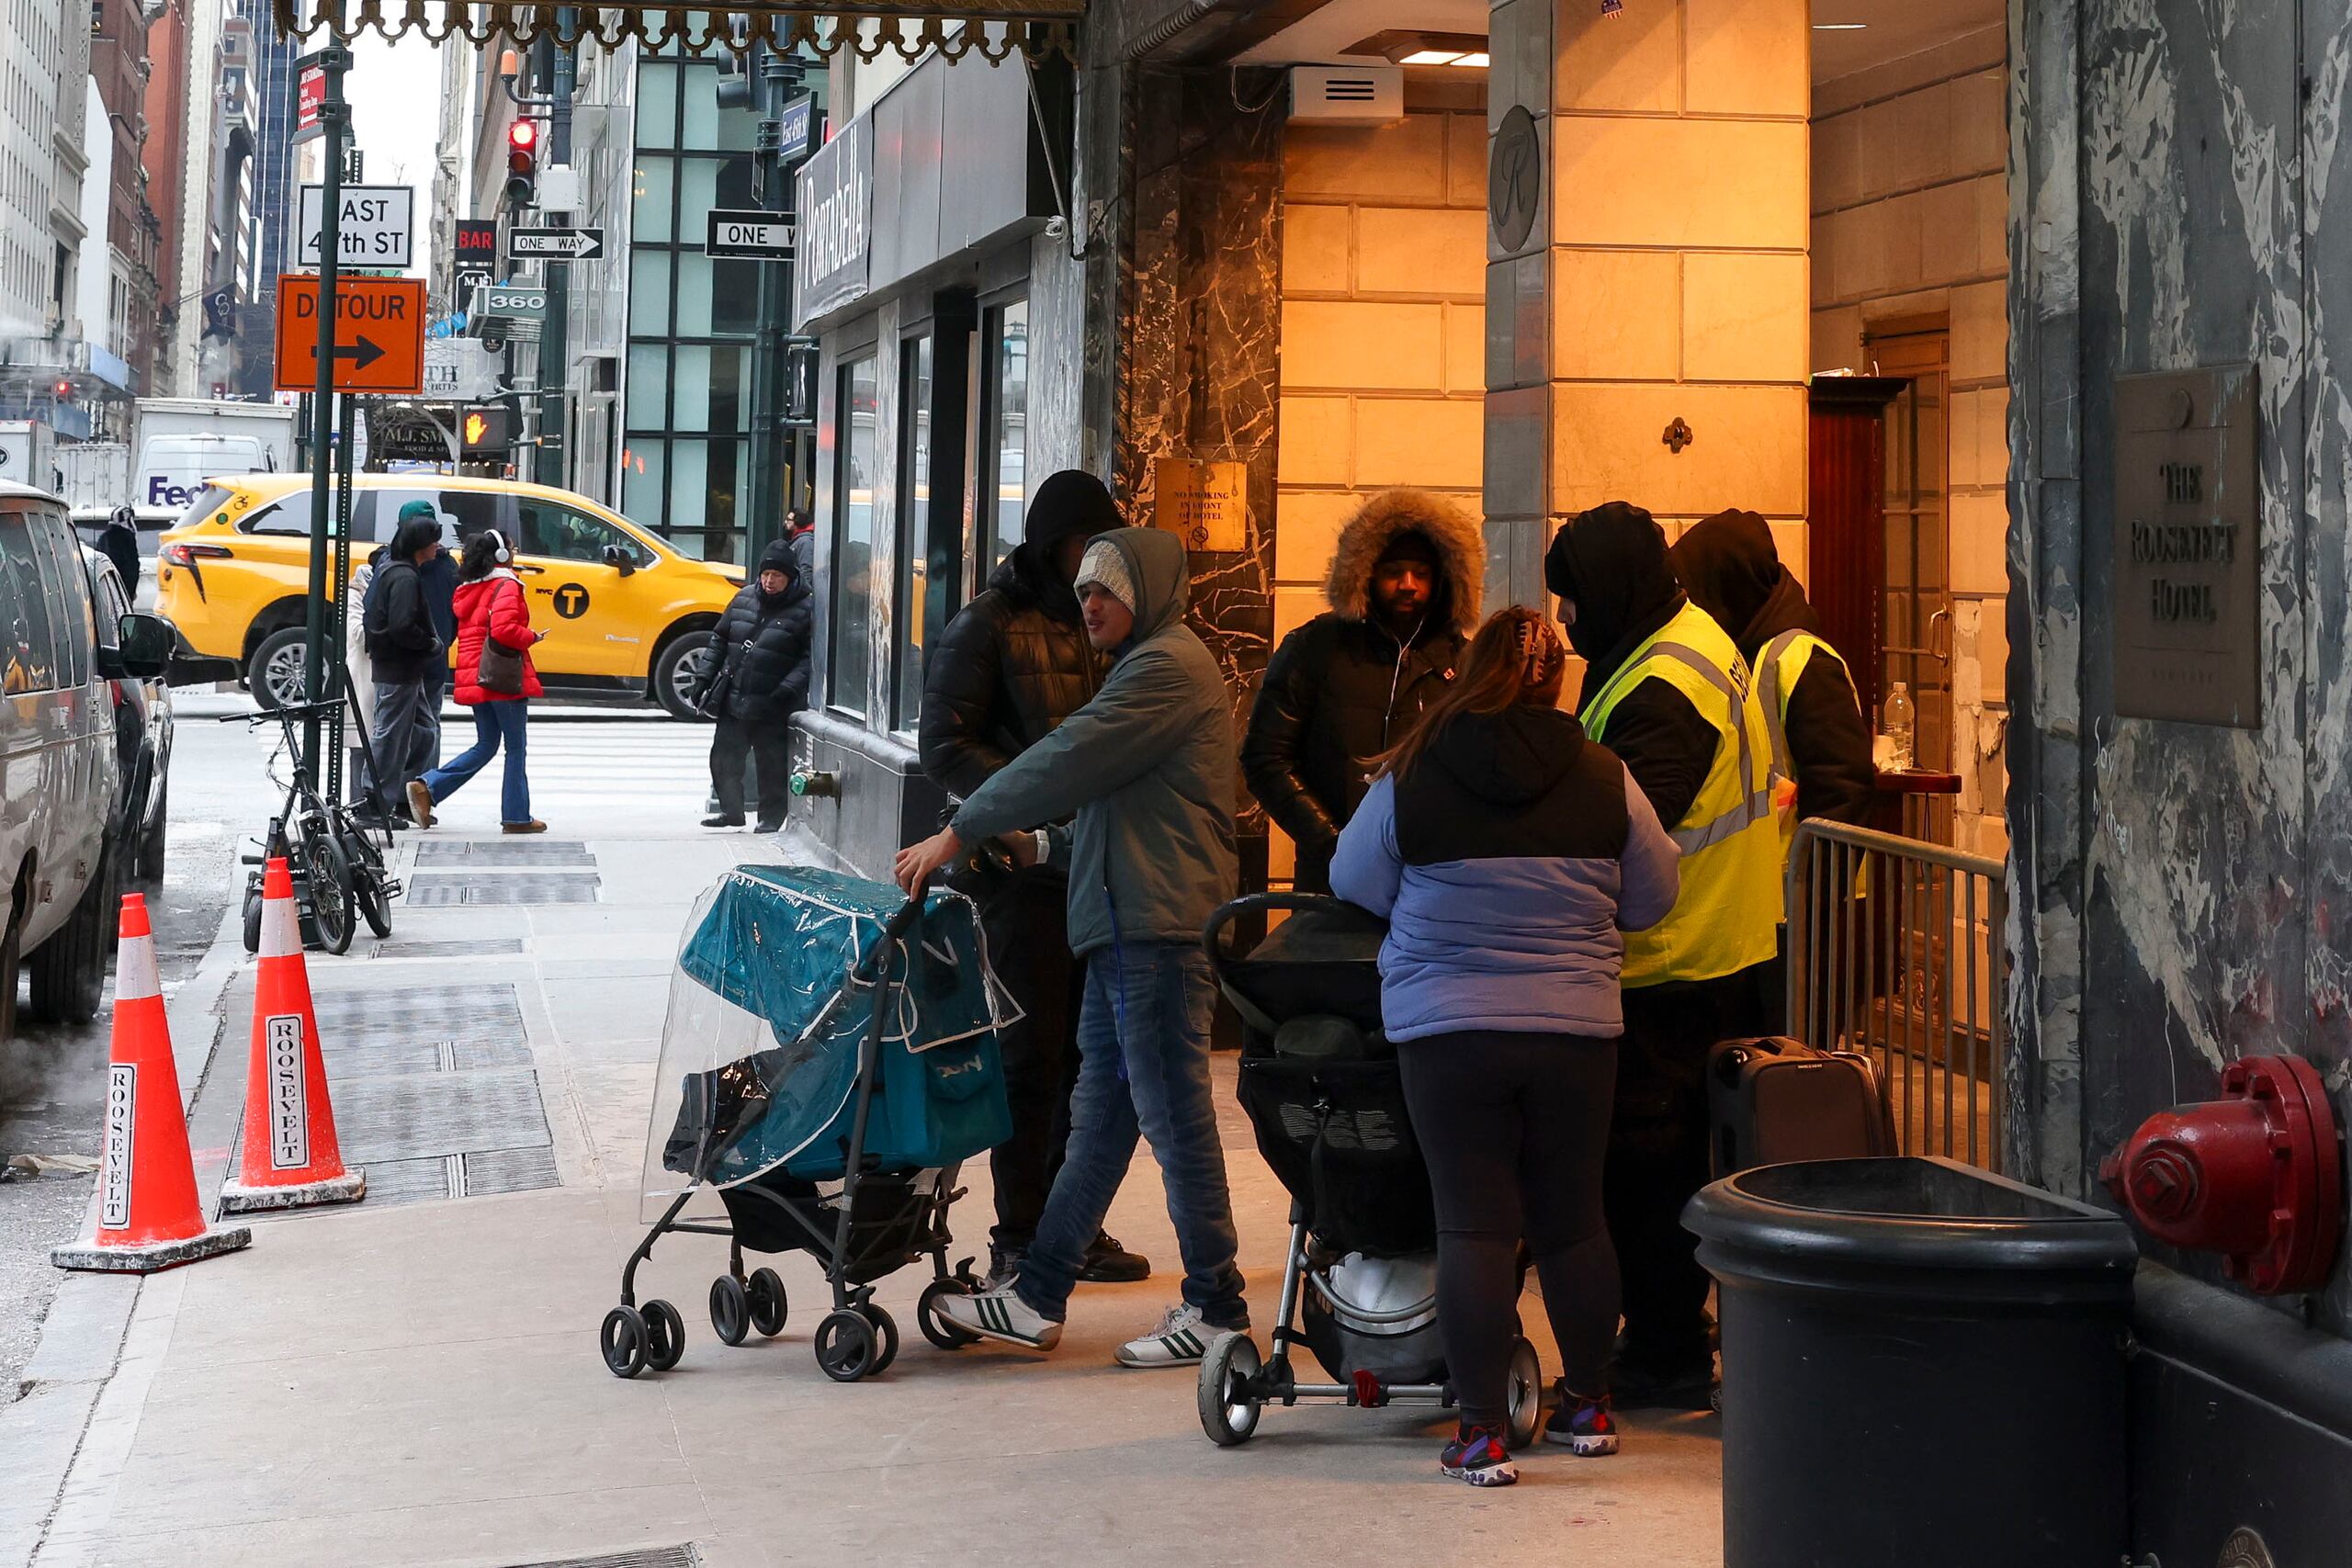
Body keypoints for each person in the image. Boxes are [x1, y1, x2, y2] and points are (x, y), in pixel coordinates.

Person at [1330, 607, 1679, 1487]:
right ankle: (1590, 1405)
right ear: (1557, 680)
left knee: (1475, 1226)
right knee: (1574, 1221)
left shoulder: (1416, 768)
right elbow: (1654, 895)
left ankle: (1482, 1432)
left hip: (1450, 1032)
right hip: (1574, 1033)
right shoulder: (1604, 773)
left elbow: (1350, 877)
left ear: (1473, 668)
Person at [895, 526, 1245, 1368]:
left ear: (1147, 593)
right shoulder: (1141, 667)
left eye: (1107, 589)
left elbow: (1067, 757)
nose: (1090, 603)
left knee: (1176, 1120)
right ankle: (1037, 1293)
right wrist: (1042, 847)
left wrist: (960, 828)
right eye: (1083, 588)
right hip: (1129, 927)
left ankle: (1217, 1306)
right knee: (1097, 1123)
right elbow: (1125, 813)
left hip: (1157, 933)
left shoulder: (1165, 667)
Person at [1544, 501, 1781, 1410]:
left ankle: (1664, 1351)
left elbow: (1625, 824)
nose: (1565, 619)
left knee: (1648, 1175)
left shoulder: (1664, 684)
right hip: (1711, 948)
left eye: (1573, 598)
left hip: (1673, 961)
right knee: (1668, 1165)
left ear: (1613, 589)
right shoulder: (1681, 640)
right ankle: (1665, 1332)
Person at [917, 469, 1149, 1287]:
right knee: (1030, 1059)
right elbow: (943, 745)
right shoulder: (990, 620)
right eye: (1084, 544)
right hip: (1018, 874)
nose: (1096, 562)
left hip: (1095, 866)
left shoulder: (1114, 624)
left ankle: (1070, 1225)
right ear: (1051, 545)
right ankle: (1020, 1234)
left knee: (1093, 1062)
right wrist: (1030, 795)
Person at [1244, 489, 1481, 892]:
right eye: (1394, 571)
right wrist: (1335, 844)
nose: (1408, 585)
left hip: (1430, 880)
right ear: (1366, 572)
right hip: (1330, 882)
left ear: (1443, 578)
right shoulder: (1316, 647)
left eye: (1421, 573)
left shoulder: (1466, 663)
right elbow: (1265, 758)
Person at [1669, 510, 1873, 830]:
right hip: (1755, 861)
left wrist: (1811, 864)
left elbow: (1842, 791)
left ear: (1724, 590)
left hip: (1790, 861)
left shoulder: (1804, 663)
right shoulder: (1732, 653)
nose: (1687, 606)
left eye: (1692, 591)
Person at [407, 529, 546, 834]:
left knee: (486, 744)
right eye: (512, 549)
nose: (514, 553)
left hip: (475, 676)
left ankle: (428, 787)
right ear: (501, 555)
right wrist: (531, 637)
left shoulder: (469, 588)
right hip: (501, 676)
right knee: (516, 748)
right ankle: (517, 816)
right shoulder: (506, 585)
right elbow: (504, 630)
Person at [698, 538, 812, 832]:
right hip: (736, 696)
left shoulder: (806, 608)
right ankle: (731, 811)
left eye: (777, 575)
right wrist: (703, 677)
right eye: (765, 574)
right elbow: (720, 638)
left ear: (790, 577)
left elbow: (810, 658)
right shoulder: (744, 598)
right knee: (723, 758)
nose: (769, 581)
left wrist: (786, 689)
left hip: (773, 703)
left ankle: (770, 818)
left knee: (771, 765)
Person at [361, 511, 447, 824]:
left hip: (406, 669)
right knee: (390, 736)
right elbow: (400, 627)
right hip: (398, 668)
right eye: (433, 541)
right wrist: (428, 643)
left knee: (424, 731)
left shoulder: (401, 571)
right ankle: (374, 803)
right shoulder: (404, 577)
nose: (437, 546)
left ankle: (400, 796)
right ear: (420, 545)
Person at [98, 506, 141, 594]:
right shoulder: (127, 538)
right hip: (123, 589)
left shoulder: (103, 537)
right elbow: (131, 567)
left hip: (104, 589)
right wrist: (130, 592)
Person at [785, 507, 816, 584]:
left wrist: (803, 588)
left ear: (797, 521)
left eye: (788, 520)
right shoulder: (799, 540)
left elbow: (807, 568)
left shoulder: (805, 542)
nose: (785, 522)